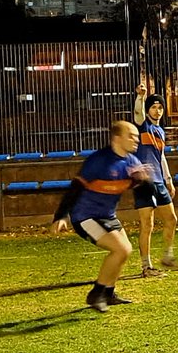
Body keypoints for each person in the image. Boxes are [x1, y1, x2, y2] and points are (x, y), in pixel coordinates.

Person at [51, 120, 152, 312]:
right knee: (120, 250)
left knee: (126, 250)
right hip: (85, 216)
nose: (136, 140)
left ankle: (108, 293)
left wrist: (144, 181)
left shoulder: (132, 161)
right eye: (131, 136)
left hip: (107, 215)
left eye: (137, 137)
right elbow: (75, 188)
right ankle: (96, 293)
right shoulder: (98, 161)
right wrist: (61, 216)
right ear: (117, 138)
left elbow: (144, 190)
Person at [131, 83, 178, 276]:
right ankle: (146, 266)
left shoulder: (160, 131)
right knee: (147, 224)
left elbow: (160, 156)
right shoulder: (142, 125)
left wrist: (168, 179)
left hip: (159, 181)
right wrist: (140, 97)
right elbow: (138, 112)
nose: (157, 110)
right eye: (153, 107)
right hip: (144, 182)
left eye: (160, 107)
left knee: (171, 219)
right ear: (148, 110)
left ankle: (167, 257)